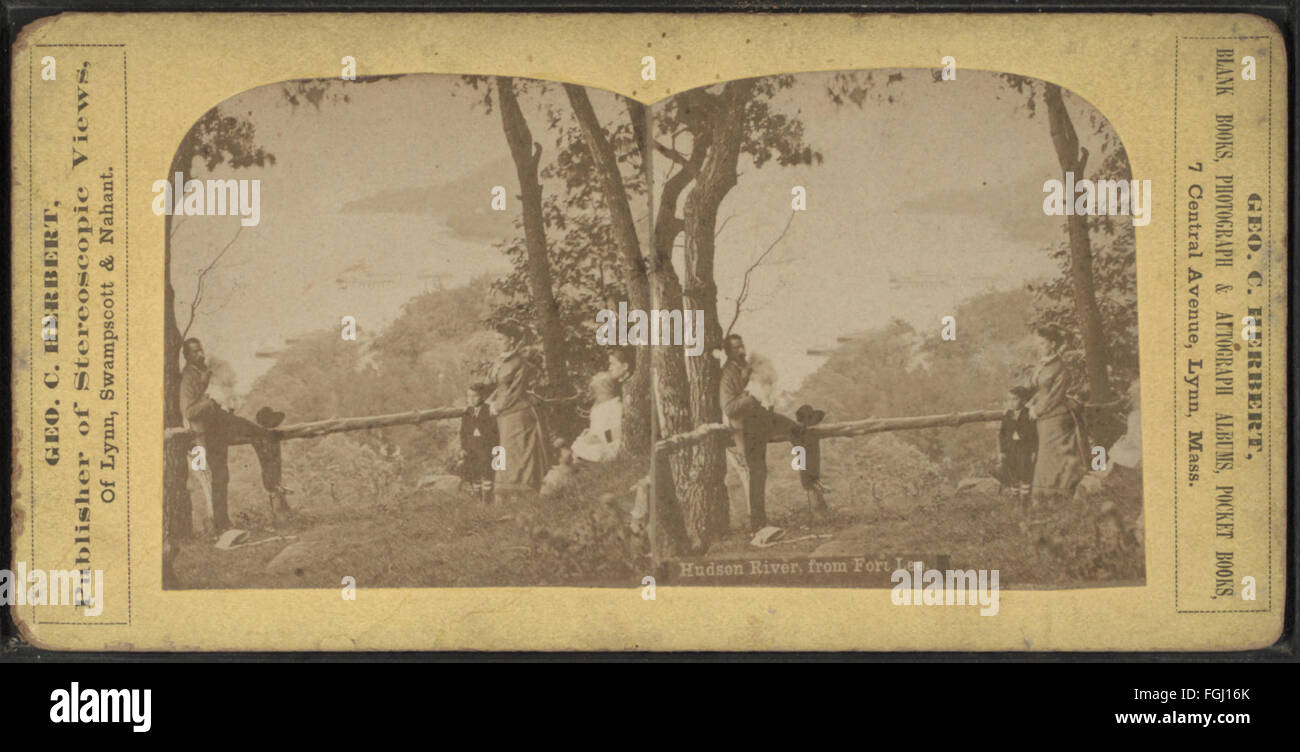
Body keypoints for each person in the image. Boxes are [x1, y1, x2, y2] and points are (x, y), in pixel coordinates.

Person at [178, 337, 287, 533]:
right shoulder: (187, 378)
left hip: (219, 421)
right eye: (194, 352)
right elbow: (189, 412)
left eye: (200, 349)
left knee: (257, 434)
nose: (200, 354)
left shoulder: (203, 372)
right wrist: (211, 401)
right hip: (209, 429)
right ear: (186, 356)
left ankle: (264, 423)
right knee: (221, 475)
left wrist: (222, 400)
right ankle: (222, 524)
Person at [719, 335, 802, 534]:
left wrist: (767, 395)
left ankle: (807, 475)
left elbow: (766, 385)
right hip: (746, 427)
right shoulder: (728, 375)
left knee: (798, 430)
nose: (741, 351)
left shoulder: (748, 367)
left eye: (742, 346)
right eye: (736, 348)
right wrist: (751, 398)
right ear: (728, 352)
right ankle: (758, 523)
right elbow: (729, 408)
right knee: (758, 471)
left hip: (761, 418)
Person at [1026, 325, 1087, 501]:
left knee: (1053, 457)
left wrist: (1037, 410)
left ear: (1053, 344)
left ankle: (1058, 493)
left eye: (1043, 343)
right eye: (1038, 343)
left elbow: (1055, 396)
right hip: (1042, 416)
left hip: (1056, 416)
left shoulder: (1060, 368)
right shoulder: (1042, 365)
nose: (1039, 346)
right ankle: (1046, 495)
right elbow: (1040, 390)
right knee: (1046, 456)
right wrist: (1031, 405)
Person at [487, 334, 551, 496]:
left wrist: (498, 406)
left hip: (518, 411)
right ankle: (505, 492)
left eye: (501, 339)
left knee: (518, 452)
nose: (498, 342)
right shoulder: (499, 361)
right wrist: (490, 402)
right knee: (505, 451)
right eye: (497, 339)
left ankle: (524, 491)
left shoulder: (521, 363)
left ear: (512, 340)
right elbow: (496, 386)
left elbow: (516, 390)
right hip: (502, 413)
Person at [458, 381, 499, 504]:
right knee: (473, 473)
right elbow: (463, 432)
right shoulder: (467, 412)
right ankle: (477, 498)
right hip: (472, 449)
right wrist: (463, 448)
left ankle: (487, 501)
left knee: (487, 474)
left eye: (474, 396)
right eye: (468, 396)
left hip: (486, 448)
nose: (470, 399)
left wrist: (494, 450)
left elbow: (494, 432)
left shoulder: (488, 411)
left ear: (483, 396)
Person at [998, 385, 1038, 502]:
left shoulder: (1028, 414)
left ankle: (1025, 500)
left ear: (1024, 400)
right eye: (1009, 399)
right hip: (1011, 448)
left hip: (1024, 448)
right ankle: (1015, 498)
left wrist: (1034, 451)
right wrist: (1002, 451)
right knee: (1012, 472)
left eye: (1015, 399)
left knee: (1025, 472)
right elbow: (1002, 434)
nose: (1011, 402)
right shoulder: (1007, 415)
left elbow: (1034, 435)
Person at [795, 404, 830, 521]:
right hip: (807, 463)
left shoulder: (810, 431)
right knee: (811, 486)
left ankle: (820, 515)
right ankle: (819, 515)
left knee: (812, 486)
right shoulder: (805, 432)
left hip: (809, 463)